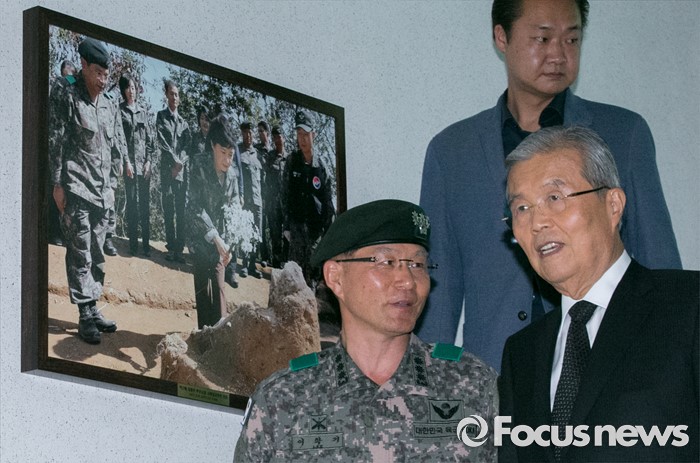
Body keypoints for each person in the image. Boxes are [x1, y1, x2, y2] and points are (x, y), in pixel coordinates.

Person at [416, 0, 682, 370]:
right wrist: (434, 382)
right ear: (501, 37)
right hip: (496, 373)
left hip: (610, 366)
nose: (558, 54)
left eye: (571, 40)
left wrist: (669, 368)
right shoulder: (452, 152)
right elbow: (438, 290)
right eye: (542, 39)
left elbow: (660, 266)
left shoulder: (623, 134)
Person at [234, 200, 498, 462]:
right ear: (336, 277)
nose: (407, 281)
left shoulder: (474, 386)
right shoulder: (282, 399)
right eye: (386, 262)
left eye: (417, 265)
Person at [498, 125, 698, 462]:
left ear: (613, 204)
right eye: (521, 209)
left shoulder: (687, 307)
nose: (537, 223)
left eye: (554, 198)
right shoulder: (522, 353)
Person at [48, 38, 126, 344]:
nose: (102, 80)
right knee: (80, 253)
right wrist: (57, 184)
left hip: (102, 192)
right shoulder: (65, 92)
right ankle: (84, 314)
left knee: (97, 254)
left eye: (106, 75)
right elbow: (55, 140)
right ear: (83, 65)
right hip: (76, 187)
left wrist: (114, 185)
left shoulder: (109, 102)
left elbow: (115, 146)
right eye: (97, 73)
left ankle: (93, 308)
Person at [187, 115, 242, 329]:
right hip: (199, 237)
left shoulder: (233, 175)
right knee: (204, 293)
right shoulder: (198, 164)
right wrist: (215, 237)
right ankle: (203, 337)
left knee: (220, 296)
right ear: (212, 146)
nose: (227, 160)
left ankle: (218, 335)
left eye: (231, 155)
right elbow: (194, 206)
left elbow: (234, 213)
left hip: (221, 245)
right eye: (223, 153)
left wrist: (230, 246)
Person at [283, 109, 335, 287]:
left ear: (314, 134)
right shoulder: (292, 161)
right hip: (296, 231)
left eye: (306, 134)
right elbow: (285, 195)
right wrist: (286, 226)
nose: (302, 139)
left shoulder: (321, 167)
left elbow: (328, 205)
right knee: (293, 280)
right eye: (299, 134)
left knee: (312, 280)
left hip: (315, 234)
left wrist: (327, 236)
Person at [119, 74, 155, 257]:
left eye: (133, 88)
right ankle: (133, 246)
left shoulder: (143, 112)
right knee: (132, 205)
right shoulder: (120, 111)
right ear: (123, 90)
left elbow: (150, 141)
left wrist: (148, 162)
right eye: (128, 88)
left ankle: (146, 246)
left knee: (144, 207)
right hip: (130, 166)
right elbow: (121, 140)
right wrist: (126, 162)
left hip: (143, 167)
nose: (131, 91)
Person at [156, 79, 191, 263]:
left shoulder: (184, 123)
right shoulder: (161, 117)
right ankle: (171, 248)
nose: (174, 97)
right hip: (167, 171)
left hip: (181, 173)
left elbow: (188, 146)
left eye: (177, 95)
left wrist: (180, 162)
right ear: (166, 95)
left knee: (181, 211)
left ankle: (179, 250)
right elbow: (162, 141)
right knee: (169, 209)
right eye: (171, 94)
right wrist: (173, 161)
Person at [47, 59, 77, 247]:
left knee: (57, 188)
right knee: (57, 188)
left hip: (59, 145)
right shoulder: (63, 83)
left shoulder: (56, 83)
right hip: (59, 146)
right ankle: (57, 233)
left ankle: (59, 233)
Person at [238, 121, 264, 279]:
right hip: (246, 201)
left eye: (249, 133)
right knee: (245, 232)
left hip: (258, 200)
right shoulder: (238, 152)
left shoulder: (258, 155)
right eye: (244, 133)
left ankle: (253, 265)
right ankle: (245, 264)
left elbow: (263, 180)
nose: (247, 136)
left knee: (257, 234)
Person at [263, 125, 288, 268]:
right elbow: (265, 180)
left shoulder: (289, 158)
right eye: (274, 137)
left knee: (287, 234)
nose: (277, 140)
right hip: (273, 203)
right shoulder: (269, 157)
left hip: (286, 204)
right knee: (275, 233)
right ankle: (276, 263)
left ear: (283, 138)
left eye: (279, 137)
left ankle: (286, 262)